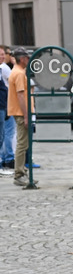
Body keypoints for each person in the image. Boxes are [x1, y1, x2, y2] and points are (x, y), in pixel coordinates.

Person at [6, 47, 30, 185]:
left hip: (18, 112)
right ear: (21, 59)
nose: (28, 60)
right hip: (20, 113)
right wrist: (26, 115)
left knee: (23, 143)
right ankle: (19, 174)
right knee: (22, 144)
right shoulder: (19, 73)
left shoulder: (16, 71)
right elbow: (21, 96)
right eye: (26, 58)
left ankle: (22, 172)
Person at [0, 45, 12, 176]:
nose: (3, 56)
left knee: (2, 135)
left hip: (3, 106)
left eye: (4, 54)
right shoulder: (4, 69)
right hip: (1, 106)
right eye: (1, 54)